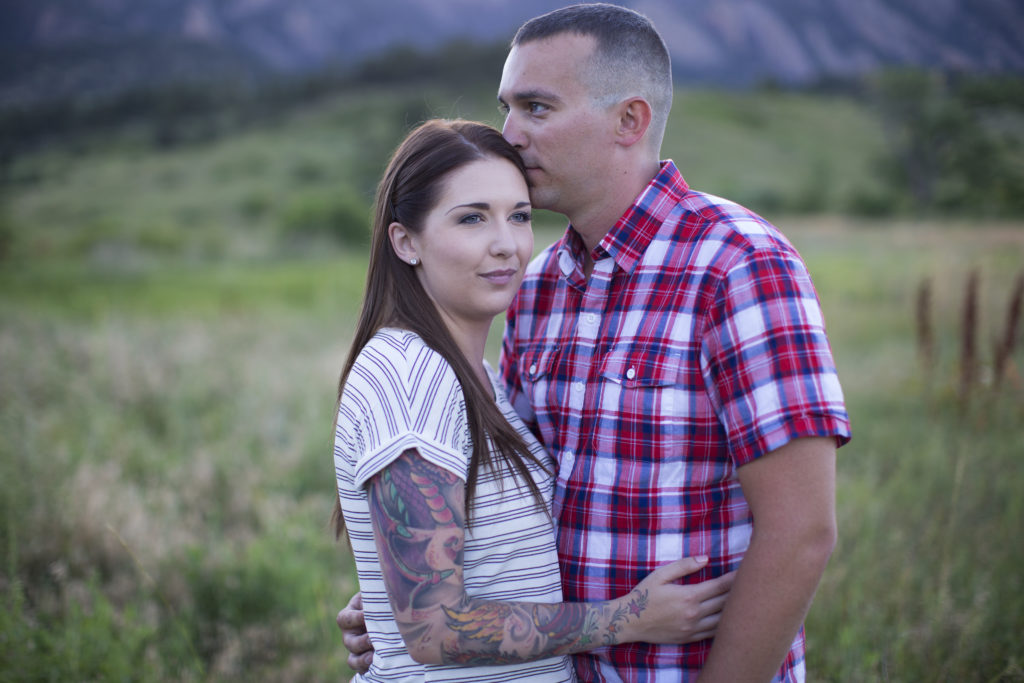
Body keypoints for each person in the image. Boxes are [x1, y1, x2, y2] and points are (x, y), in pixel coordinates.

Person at [339, 4, 851, 681]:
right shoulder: (536, 287)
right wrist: (406, 587)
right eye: (507, 107)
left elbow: (801, 532)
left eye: (537, 108)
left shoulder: (737, 264)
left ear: (628, 120)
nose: (510, 134)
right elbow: (505, 498)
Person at [331, 118, 734, 682]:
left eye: (518, 216)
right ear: (406, 241)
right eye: (472, 217)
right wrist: (625, 619)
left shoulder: (475, 375)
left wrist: (386, 596)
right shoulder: (409, 375)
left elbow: (446, 581)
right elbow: (433, 628)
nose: (507, 245)